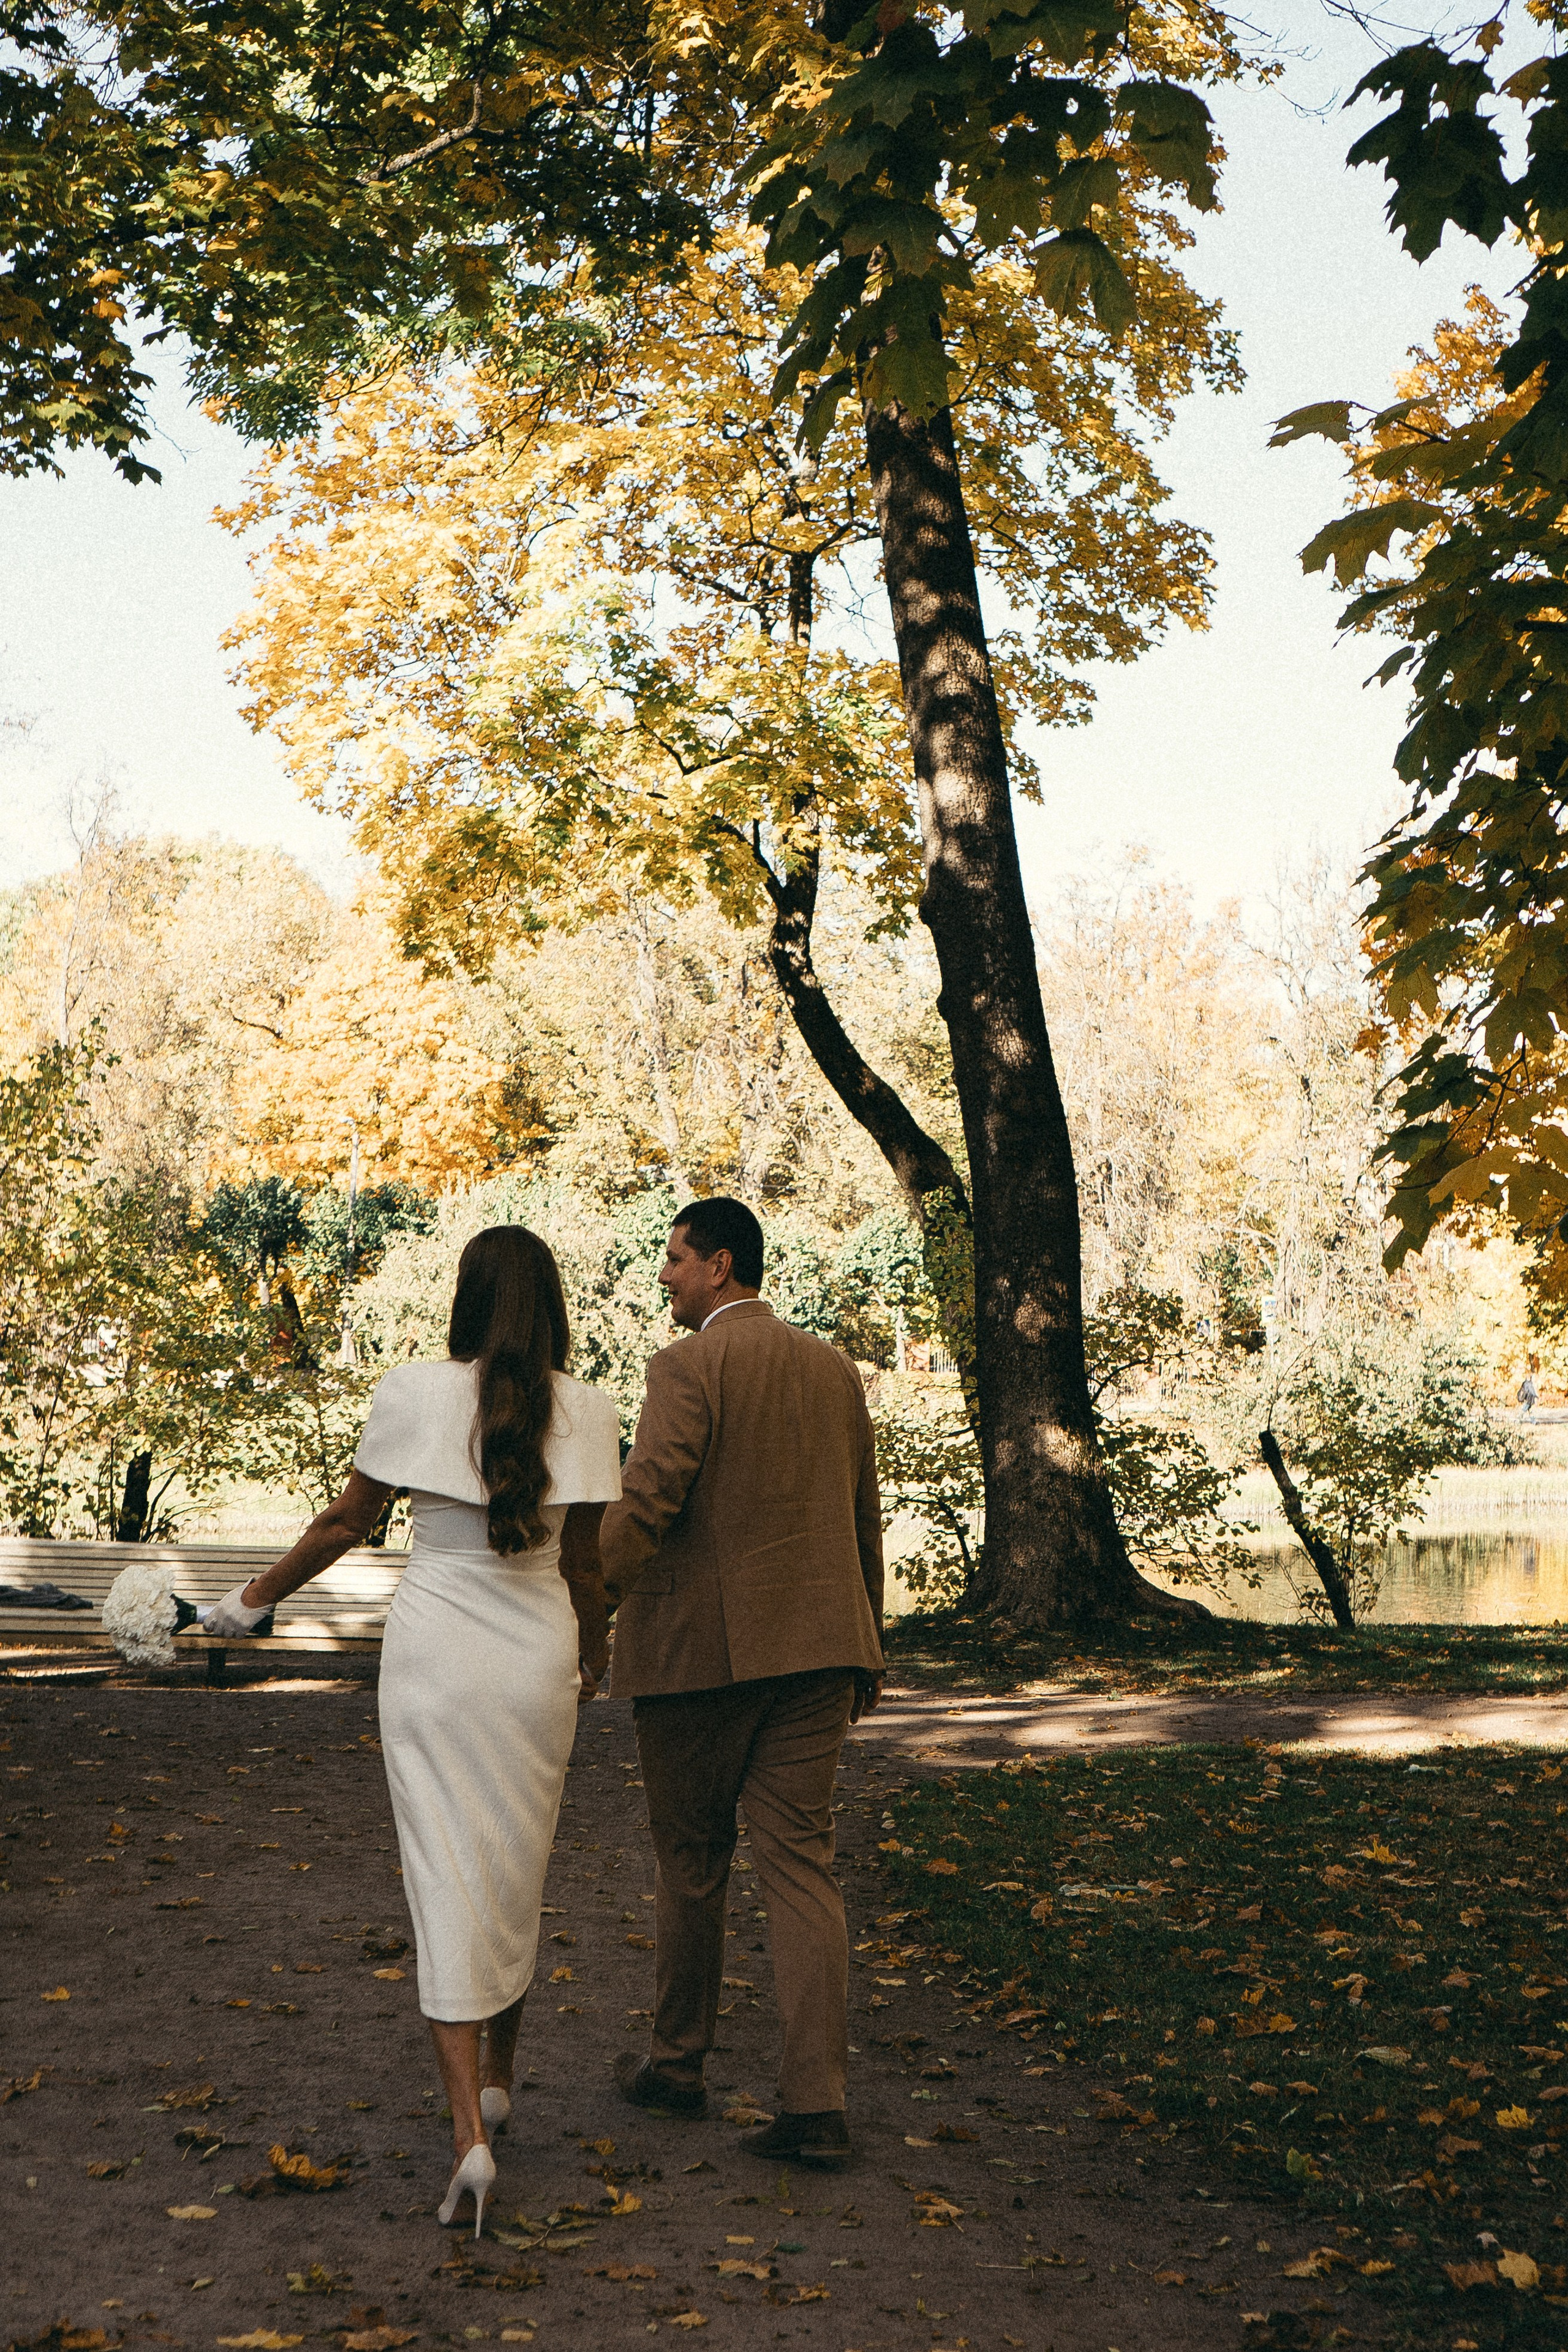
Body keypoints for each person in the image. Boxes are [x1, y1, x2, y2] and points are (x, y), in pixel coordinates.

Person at [202, 1226, 620, 2236]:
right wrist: (594, 1659)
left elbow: (347, 1523)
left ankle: (464, 2142)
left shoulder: (412, 1392)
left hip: (433, 1661)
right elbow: (588, 1571)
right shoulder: (595, 1409)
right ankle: (503, 2083)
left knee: (447, 1875)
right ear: (553, 1302)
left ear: (469, 1299)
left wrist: (251, 1601)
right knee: (514, 1868)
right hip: (535, 1666)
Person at [600, 1196, 884, 2170]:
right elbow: (862, 1518)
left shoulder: (688, 1367)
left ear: (721, 1265)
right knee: (802, 1865)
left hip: (699, 1662)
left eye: (676, 1260)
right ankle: (817, 2106)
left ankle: (678, 2066)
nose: (667, 1277)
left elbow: (649, 1499)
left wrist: (589, 1597)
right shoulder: (834, 1368)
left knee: (691, 1864)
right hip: (820, 1653)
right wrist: (866, 1640)